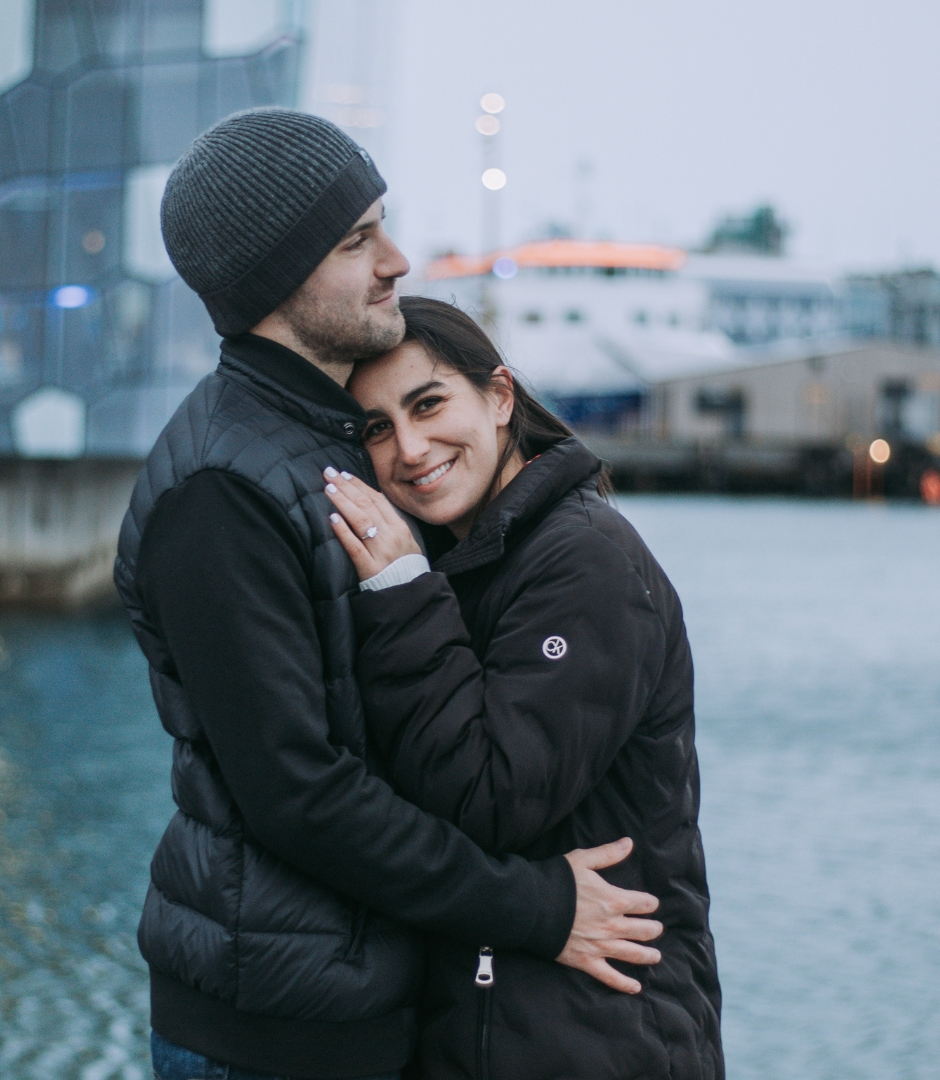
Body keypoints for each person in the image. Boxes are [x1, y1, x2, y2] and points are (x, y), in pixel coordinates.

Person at [114, 109, 664, 1080]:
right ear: (276, 276)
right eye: (357, 239)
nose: (398, 260)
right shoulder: (220, 494)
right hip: (274, 1038)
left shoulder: (328, 437)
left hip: (358, 1009)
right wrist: (538, 906)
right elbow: (299, 796)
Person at [323, 296, 724, 1080]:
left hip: (598, 1037)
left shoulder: (586, 562)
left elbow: (489, 798)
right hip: (508, 1029)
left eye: (429, 403)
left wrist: (403, 590)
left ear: (500, 398)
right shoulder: (473, 561)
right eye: (376, 427)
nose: (409, 446)